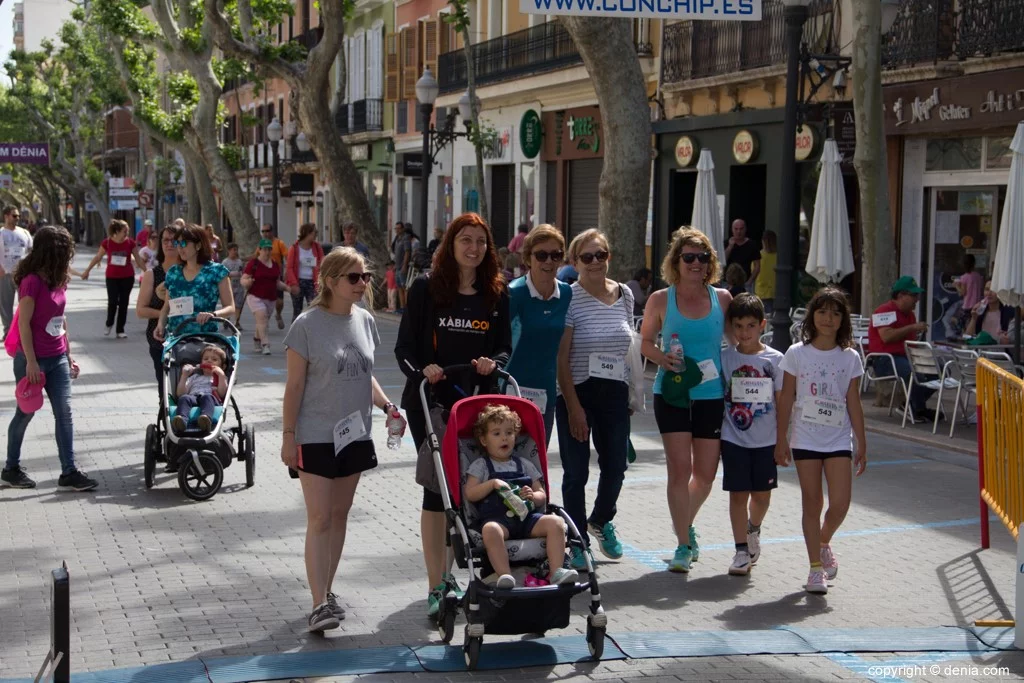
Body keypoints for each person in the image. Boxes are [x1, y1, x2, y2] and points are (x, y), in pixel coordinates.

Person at [282, 246, 406, 632]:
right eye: (353, 277)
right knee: (319, 518)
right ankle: (318, 603)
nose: (362, 283)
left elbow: (361, 374)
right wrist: (289, 437)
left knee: (339, 516)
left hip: (355, 434)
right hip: (315, 434)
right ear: (331, 281)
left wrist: (387, 408)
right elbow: (295, 385)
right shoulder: (306, 324)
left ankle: (327, 590)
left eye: (365, 276)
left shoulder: (366, 321)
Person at [395, 212, 511, 617]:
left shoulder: (496, 291)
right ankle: (436, 583)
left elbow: (504, 350)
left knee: (471, 487)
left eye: (481, 241)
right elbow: (404, 349)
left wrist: (491, 364)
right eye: (465, 240)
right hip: (432, 403)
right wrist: (424, 370)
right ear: (451, 244)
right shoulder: (426, 288)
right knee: (438, 490)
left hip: (478, 403)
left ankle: (477, 567)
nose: (473, 248)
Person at [640, 227, 731, 573]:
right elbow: (645, 341)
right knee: (680, 471)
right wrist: (661, 358)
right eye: (689, 257)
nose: (696, 263)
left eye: (702, 257)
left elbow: (739, 342)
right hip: (673, 394)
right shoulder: (661, 300)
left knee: (705, 476)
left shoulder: (722, 299)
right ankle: (682, 543)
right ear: (675, 262)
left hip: (710, 395)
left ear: (710, 263)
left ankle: (684, 523)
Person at [775, 286, 867, 594]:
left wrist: (861, 441)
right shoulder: (796, 354)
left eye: (836, 313)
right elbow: (786, 397)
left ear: (843, 320)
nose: (828, 318)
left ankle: (824, 540)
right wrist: (781, 438)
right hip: (805, 438)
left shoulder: (850, 358)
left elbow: (853, 401)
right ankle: (815, 568)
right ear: (813, 316)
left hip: (838, 438)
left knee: (840, 503)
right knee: (812, 502)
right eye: (823, 311)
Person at [556, 228, 635, 569]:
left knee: (616, 465)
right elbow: (562, 358)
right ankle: (577, 541)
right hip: (577, 390)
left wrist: (632, 392)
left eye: (600, 255)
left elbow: (627, 344)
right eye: (586, 257)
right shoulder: (568, 298)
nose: (594, 262)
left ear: (608, 258)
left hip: (614, 390)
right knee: (576, 472)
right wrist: (574, 407)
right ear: (575, 262)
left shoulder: (626, 294)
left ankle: (600, 520)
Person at [1, 226, 97, 492]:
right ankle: (11, 469)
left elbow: (61, 318)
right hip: (32, 359)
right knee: (25, 413)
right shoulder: (31, 281)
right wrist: (31, 362)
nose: (68, 256)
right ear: (52, 251)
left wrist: (68, 353)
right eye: (65, 251)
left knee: (64, 413)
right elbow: (24, 325)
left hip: (57, 358)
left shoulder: (59, 277)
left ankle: (69, 472)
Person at [465, 404, 578, 588]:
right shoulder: (481, 465)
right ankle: (504, 575)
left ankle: (556, 571)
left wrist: (533, 495)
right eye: (497, 433)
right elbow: (470, 493)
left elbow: (542, 494)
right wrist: (492, 484)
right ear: (484, 440)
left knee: (556, 522)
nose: (504, 437)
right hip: (499, 521)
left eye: (509, 432)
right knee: (490, 529)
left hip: (527, 519)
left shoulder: (524, 464)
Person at [719, 294, 783, 576]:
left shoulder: (776, 360)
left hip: (766, 441)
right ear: (731, 327)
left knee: (762, 496)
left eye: (750, 326)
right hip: (733, 439)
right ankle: (741, 550)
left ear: (762, 326)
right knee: (737, 496)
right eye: (738, 326)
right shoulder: (725, 358)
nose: (744, 332)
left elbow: (783, 402)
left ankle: (753, 528)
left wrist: (783, 440)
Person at [507, 225, 571, 444]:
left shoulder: (566, 293)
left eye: (556, 255)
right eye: (541, 255)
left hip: (546, 395)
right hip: (511, 392)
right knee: (507, 464)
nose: (549, 261)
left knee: (536, 467)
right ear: (528, 258)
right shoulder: (514, 293)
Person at [866, 276, 936, 422]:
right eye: (913, 295)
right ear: (900, 295)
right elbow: (886, 337)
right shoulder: (884, 310)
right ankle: (917, 409)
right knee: (914, 374)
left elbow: (911, 342)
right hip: (885, 359)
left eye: (917, 295)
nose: (917, 299)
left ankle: (911, 406)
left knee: (940, 371)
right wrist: (912, 328)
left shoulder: (910, 315)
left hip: (907, 357)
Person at [154, 223, 235, 342]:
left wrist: (213, 314)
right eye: (177, 243)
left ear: (198, 245)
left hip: (206, 340)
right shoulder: (173, 272)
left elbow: (230, 307)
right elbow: (166, 307)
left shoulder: (217, 271)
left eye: (184, 243)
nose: (179, 248)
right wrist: (160, 324)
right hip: (176, 340)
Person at [81, 219, 146, 339]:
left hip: (127, 276)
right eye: (124, 231)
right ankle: (109, 323)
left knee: (124, 302)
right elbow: (97, 257)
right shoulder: (107, 243)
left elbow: (138, 259)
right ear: (117, 231)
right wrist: (87, 271)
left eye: (127, 231)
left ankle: (120, 329)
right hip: (112, 277)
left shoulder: (130, 243)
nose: (126, 233)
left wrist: (147, 271)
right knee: (112, 301)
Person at [136, 226, 182, 390]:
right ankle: (166, 415)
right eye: (165, 240)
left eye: (174, 240)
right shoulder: (152, 274)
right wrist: (166, 314)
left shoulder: (191, 272)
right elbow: (141, 311)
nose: (170, 244)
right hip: (160, 338)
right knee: (165, 388)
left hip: (188, 335)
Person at [243, 239, 288, 355]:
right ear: (260, 250)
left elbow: (277, 282)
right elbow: (243, 279)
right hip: (255, 296)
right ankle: (265, 344)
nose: (267, 252)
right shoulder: (254, 263)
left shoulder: (275, 264)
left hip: (270, 297)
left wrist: (288, 288)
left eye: (269, 249)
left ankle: (256, 339)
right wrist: (247, 282)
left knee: (262, 321)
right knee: (262, 318)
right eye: (265, 249)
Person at [172, 344, 228, 434]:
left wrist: (221, 375)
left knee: (207, 397)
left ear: (223, 366)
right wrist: (184, 376)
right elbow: (180, 394)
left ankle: (205, 419)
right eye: (206, 359)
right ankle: (182, 420)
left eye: (214, 360)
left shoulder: (220, 378)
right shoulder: (194, 377)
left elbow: (222, 394)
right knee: (184, 398)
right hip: (193, 397)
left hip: (211, 399)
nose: (209, 361)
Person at [1, 206, 33, 342]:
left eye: (18, 216)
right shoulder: (1, 233)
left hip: (22, 274)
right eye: (14, 216)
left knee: (25, 304)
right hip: (5, 274)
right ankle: (8, 332)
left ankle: (23, 331)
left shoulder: (24, 233)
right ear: (6, 216)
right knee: (5, 305)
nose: (17, 218)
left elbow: (31, 251)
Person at [286, 223, 326, 323]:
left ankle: (312, 332)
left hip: (312, 282)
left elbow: (322, 262)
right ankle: (295, 334)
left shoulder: (317, 247)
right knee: (297, 311)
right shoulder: (294, 248)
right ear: (307, 233)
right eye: (314, 232)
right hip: (298, 281)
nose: (316, 235)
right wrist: (294, 284)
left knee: (314, 309)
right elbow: (289, 268)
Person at [254, 224, 289, 330]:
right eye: (263, 231)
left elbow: (287, 257)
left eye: (267, 231)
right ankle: (264, 322)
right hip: (264, 277)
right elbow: (255, 257)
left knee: (279, 302)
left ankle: (278, 314)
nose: (265, 233)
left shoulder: (279, 243)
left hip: (276, 276)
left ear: (272, 231)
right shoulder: (261, 244)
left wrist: (288, 271)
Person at [724, 219, 760, 289]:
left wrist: (750, 281)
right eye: (736, 229)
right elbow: (722, 261)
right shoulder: (726, 243)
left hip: (745, 282)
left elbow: (757, 266)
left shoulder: (751, 244)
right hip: (728, 283)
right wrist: (730, 247)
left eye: (741, 229)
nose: (738, 231)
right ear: (732, 229)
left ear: (745, 229)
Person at [221, 243, 246, 330]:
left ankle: (237, 322)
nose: (235, 252)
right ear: (229, 251)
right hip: (229, 286)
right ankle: (226, 320)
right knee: (228, 304)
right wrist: (232, 274)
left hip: (239, 286)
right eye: (233, 250)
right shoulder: (225, 262)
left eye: (236, 250)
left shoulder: (239, 262)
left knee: (238, 305)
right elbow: (223, 274)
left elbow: (243, 272)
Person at [753, 230, 777, 315]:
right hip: (776, 292)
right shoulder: (780, 256)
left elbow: (753, 272)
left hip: (761, 291)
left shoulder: (758, 255)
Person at [391, 222, 412, 311]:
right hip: (397, 266)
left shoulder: (406, 238)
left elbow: (407, 252)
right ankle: (402, 307)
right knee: (399, 286)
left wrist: (404, 265)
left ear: (403, 229)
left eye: (399, 228)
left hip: (403, 267)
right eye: (396, 228)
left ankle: (407, 307)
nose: (397, 230)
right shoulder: (397, 239)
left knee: (404, 287)